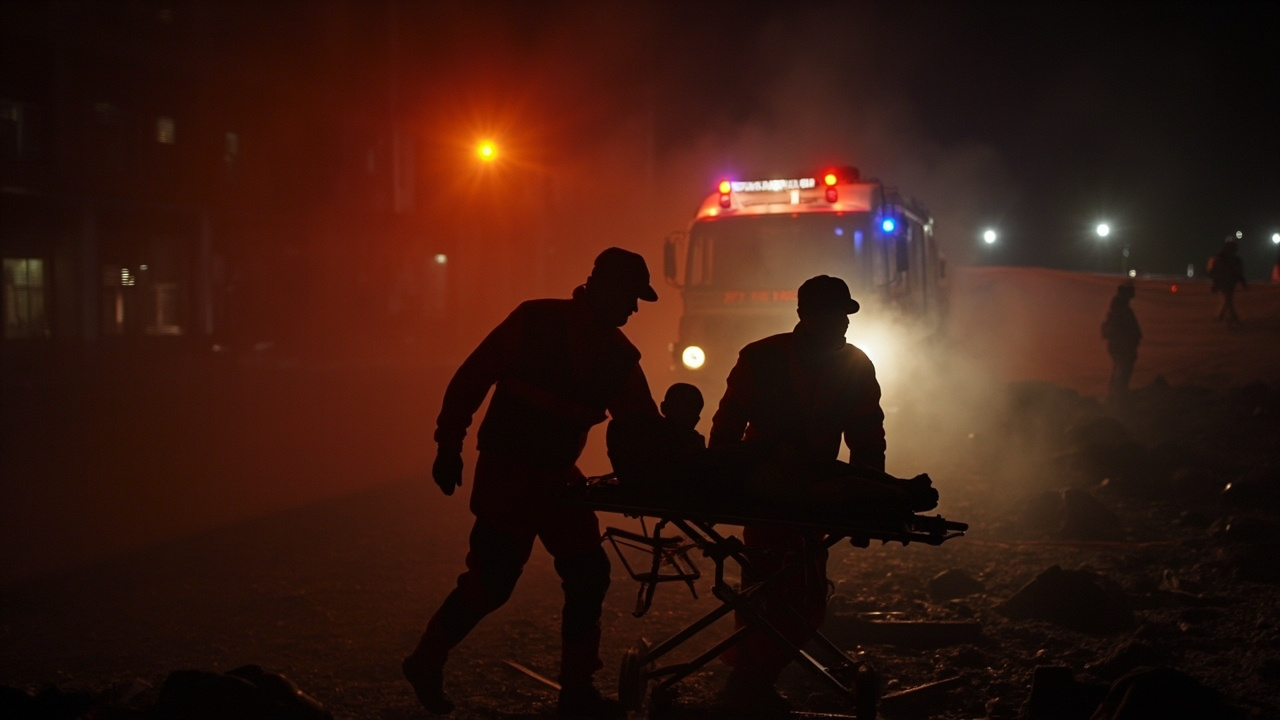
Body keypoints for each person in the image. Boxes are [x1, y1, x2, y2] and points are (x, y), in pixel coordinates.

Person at [402, 247, 661, 718]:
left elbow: (642, 424)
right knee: (491, 582)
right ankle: (425, 659)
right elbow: (472, 378)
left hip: (558, 479)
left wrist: (673, 459)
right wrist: (448, 444)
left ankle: (577, 689)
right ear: (601, 285)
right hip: (509, 474)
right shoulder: (535, 321)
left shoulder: (619, 356)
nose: (634, 308)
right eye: (630, 296)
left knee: (588, 574)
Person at [707, 275, 890, 712]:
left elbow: (868, 438)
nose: (843, 324)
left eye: (845, 316)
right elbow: (727, 428)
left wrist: (867, 501)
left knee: (785, 588)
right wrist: (717, 484)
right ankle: (750, 681)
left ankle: (749, 678)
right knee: (775, 587)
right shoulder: (761, 358)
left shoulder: (854, 366)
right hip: (765, 488)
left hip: (813, 492)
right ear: (805, 315)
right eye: (834, 315)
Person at [1100, 280, 1142, 402]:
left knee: (1119, 372)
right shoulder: (1121, 308)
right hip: (1122, 347)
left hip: (1120, 346)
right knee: (1121, 374)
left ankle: (1116, 399)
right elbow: (1129, 328)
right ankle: (1117, 400)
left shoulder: (1118, 308)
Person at [1207, 238, 1246, 326]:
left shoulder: (1219, 258)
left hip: (1224, 282)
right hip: (1227, 283)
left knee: (1227, 300)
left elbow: (1212, 271)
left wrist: (1215, 282)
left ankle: (1221, 317)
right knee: (1228, 300)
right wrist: (1243, 283)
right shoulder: (1234, 259)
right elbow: (1239, 272)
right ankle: (1232, 318)